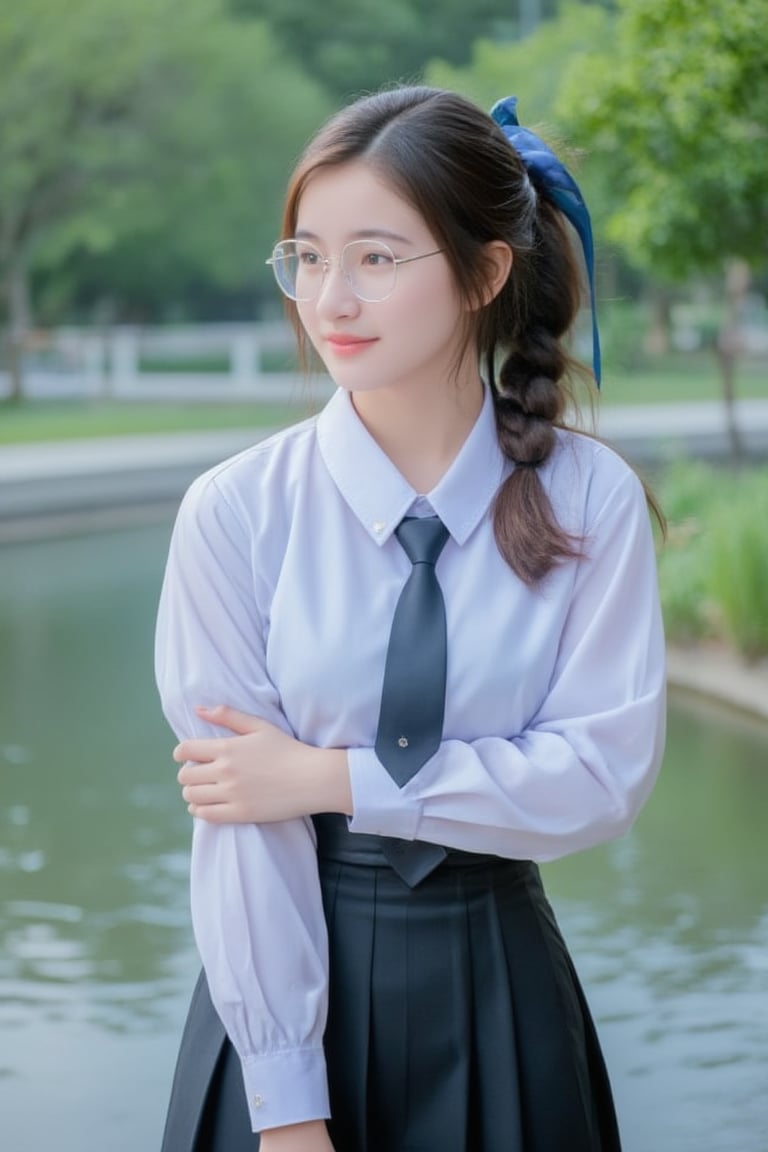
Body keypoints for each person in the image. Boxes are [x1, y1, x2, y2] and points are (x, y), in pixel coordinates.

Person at [155, 85, 666, 1152]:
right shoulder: (237, 512)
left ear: (485, 272)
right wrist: (289, 1110)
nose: (331, 298)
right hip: (282, 1011)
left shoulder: (589, 498)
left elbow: (597, 779)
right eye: (306, 257)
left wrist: (330, 777)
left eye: (378, 258)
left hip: (499, 990)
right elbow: (242, 827)